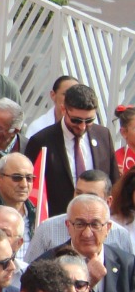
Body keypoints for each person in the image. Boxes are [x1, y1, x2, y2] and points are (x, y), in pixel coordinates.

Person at [26, 83, 117, 216]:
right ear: (63, 110)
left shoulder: (103, 135)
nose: (83, 126)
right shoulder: (41, 141)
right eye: (76, 120)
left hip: (97, 220)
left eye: (89, 120)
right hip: (58, 220)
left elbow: (114, 181)